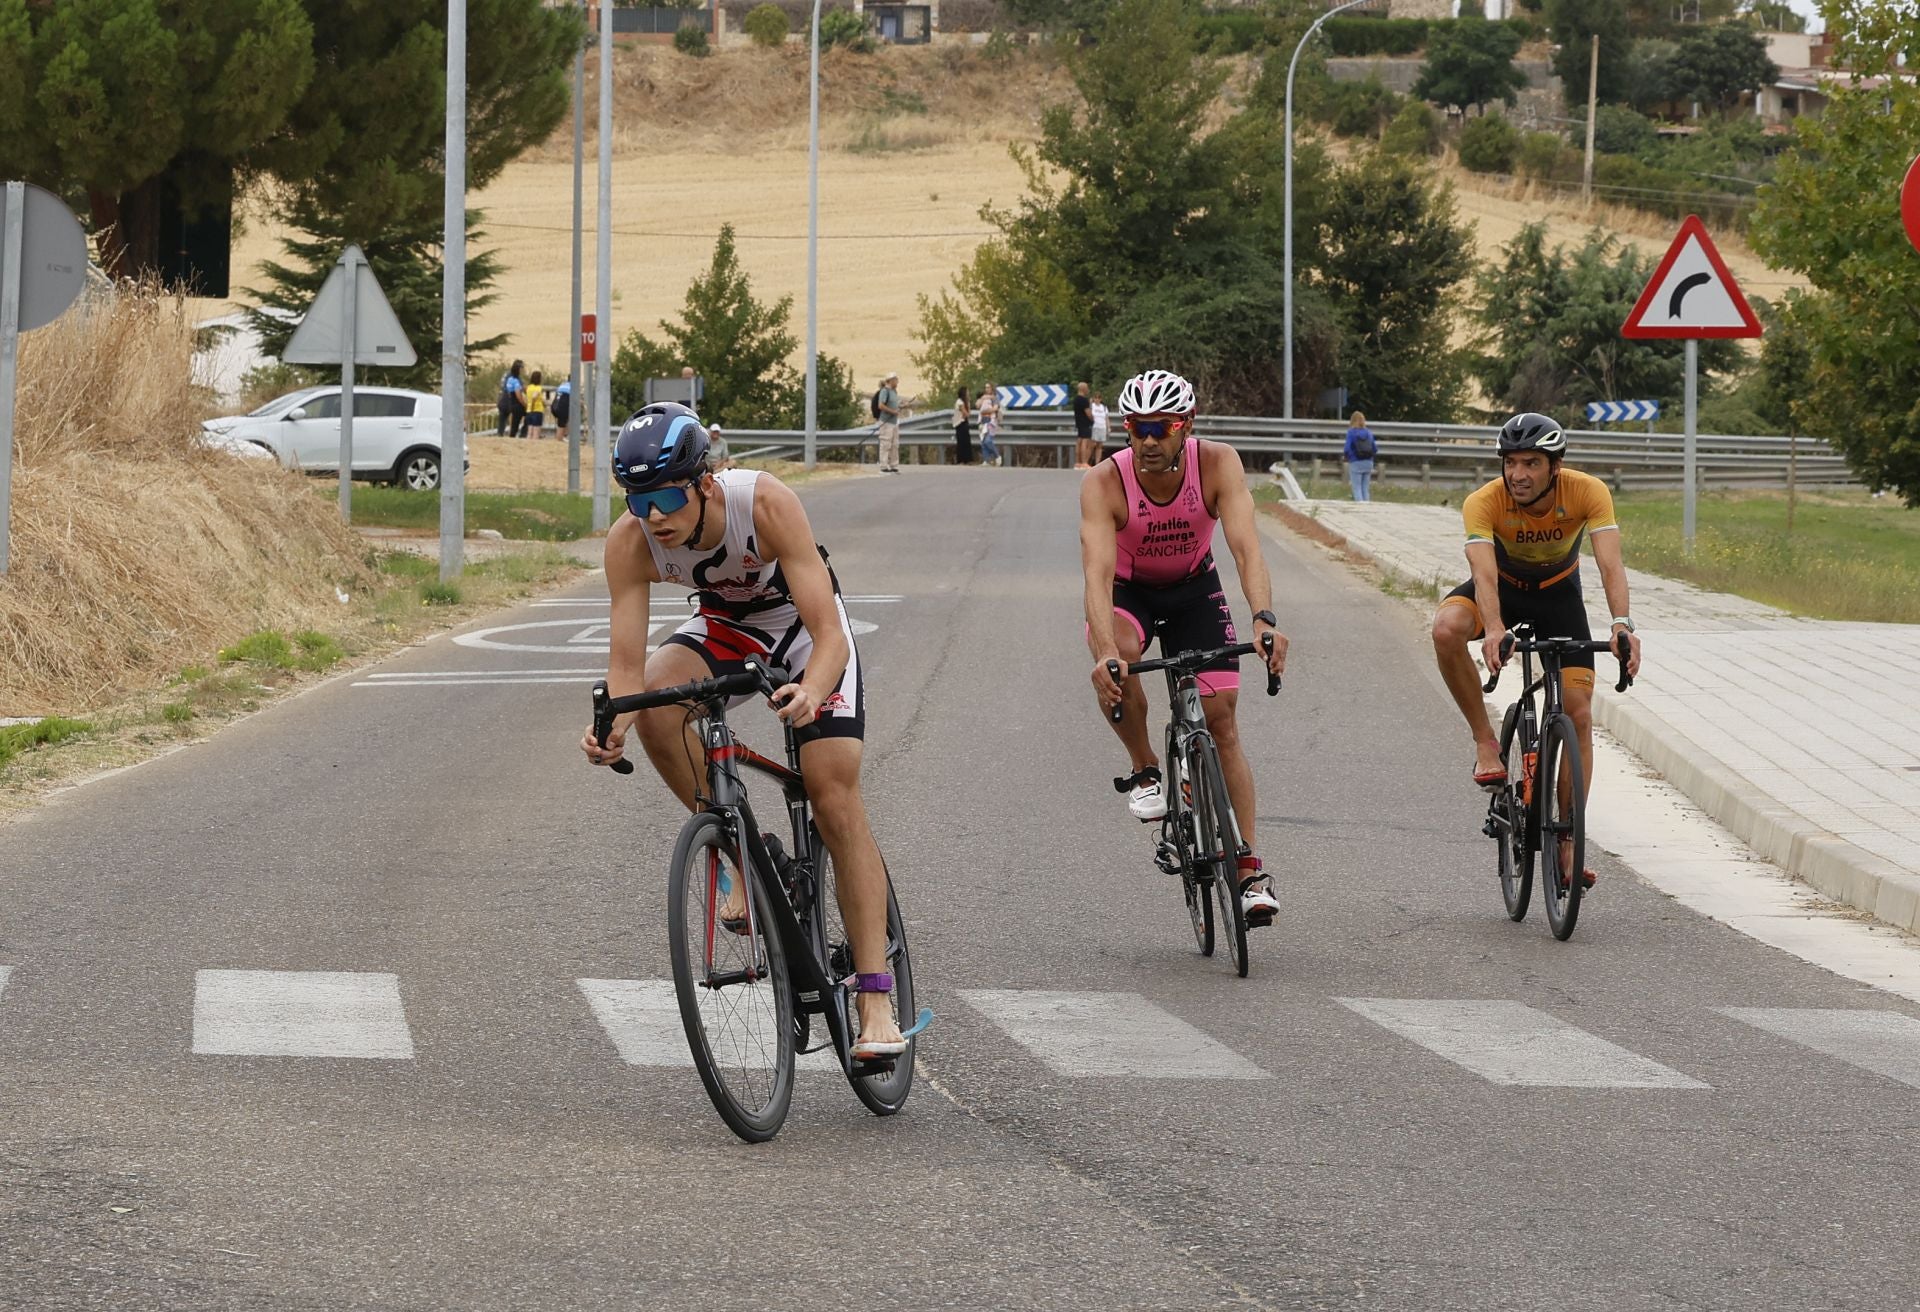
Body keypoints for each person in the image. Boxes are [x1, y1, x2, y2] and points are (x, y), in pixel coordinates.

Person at [582, 403, 907, 1060]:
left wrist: (814, 688)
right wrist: (609, 723)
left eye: (668, 497)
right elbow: (625, 669)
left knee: (831, 793)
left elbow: (830, 636)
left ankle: (876, 1002)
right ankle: (744, 853)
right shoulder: (629, 541)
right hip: (727, 627)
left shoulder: (762, 504)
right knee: (655, 705)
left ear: (705, 481)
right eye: (639, 500)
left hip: (803, 632)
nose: (654, 517)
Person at [1081, 368, 1289, 928]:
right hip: (1130, 594)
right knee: (1120, 661)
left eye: (1162, 428)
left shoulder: (1218, 463)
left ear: (1187, 425)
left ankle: (1247, 872)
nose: (1149, 440)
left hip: (1196, 590)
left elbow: (1246, 549)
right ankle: (1147, 767)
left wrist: (1264, 619)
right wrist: (1104, 653)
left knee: (1222, 725)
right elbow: (1097, 576)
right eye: (1138, 428)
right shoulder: (1105, 481)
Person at [1430, 412, 1644, 893]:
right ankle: (1486, 742)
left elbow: (1610, 564)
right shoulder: (1484, 501)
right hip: (1502, 590)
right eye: (1510, 462)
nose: (1518, 474)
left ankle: (1567, 839)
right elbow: (1483, 574)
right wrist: (1494, 627)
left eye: (1530, 463)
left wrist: (1622, 625)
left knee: (1579, 714)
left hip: (1558, 595)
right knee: (1445, 630)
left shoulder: (1587, 492)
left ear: (1556, 466)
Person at [1343, 410, 1376, 501]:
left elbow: (1347, 448)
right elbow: (1375, 448)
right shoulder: (1369, 432)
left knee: (1357, 488)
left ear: (1352, 421)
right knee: (1365, 488)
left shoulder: (1351, 432)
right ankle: (1367, 509)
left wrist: (1347, 457)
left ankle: (1360, 509)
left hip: (1356, 461)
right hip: (1368, 462)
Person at [875, 372, 901, 473]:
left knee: (895, 444)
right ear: (891, 380)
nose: (897, 382)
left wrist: (900, 406)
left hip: (894, 422)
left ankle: (894, 465)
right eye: (896, 380)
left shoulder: (894, 391)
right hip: (886, 421)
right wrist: (893, 411)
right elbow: (881, 406)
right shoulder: (885, 391)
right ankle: (884, 465)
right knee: (885, 443)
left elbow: (894, 404)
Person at [497, 360, 526, 437]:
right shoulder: (515, 378)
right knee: (515, 419)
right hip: (510, 399)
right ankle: (516, 435)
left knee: (502, 421)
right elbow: (519, 391)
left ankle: (500, 435)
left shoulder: (506, 375)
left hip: (502, 398)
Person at [977, 384, 1001, 467]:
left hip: (991, 420)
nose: (987, 389)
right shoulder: (983, 398)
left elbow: (995, 408)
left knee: (988, 440)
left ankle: (997, 456)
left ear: (992, 388)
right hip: (982, 421)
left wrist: (986, 411)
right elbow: (977, 405)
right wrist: (982, 398)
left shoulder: (995, 398)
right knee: (983, 442)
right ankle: (986, 460)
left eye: (988, 387)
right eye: (985, 387)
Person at [1073, 382, 1095, 469]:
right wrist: (1093, 419)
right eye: (1087, 388)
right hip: (1085, 423)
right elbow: (1088, 413)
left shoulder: (1076, 399)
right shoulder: (1084, 400)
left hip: (1078, 422)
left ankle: (1077, 462)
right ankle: (1084, 462)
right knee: (1085, 442)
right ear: (1083, 389)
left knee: (1079, 441)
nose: (1088, 390)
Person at [523, 370, 547, 440]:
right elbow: (540, 399)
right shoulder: (539, 388)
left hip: (529, 410)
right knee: (536, 433)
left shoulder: (528, 388)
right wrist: (545, 403)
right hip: (537, 410)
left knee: (529, 433)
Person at [953, 387, 974, 466]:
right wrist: (967, 413)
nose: (968, 393)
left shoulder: (966, 402)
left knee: (967, 441)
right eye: (967, 392)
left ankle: (967, 459)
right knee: (961, 442)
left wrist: (968, 403)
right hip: (960, 423)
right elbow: (965, 413)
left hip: (964, 422)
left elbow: (968, 413)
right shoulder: (959, 402)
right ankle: (961, 460)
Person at [551, 377, 573, 444]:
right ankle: (559, 439)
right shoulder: (573, 386)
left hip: (554, 406)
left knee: (563, 422)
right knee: (562, 424)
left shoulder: (562, 385)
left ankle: (562, 437)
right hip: (562, 407)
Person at [1090, 390, 1110, 461]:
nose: (1097, 399)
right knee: (1092, 445)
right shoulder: (1092, 406)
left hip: (1102, 427)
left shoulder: (1104, 407)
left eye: (1099, 398)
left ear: (1100, 399)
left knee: (1099, 446)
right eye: (1095, 398)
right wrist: (1090, 402)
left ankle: (1097, 462)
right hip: (1094, 427)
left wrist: (1108, 428)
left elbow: (1106, 418)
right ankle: (1089, 459)